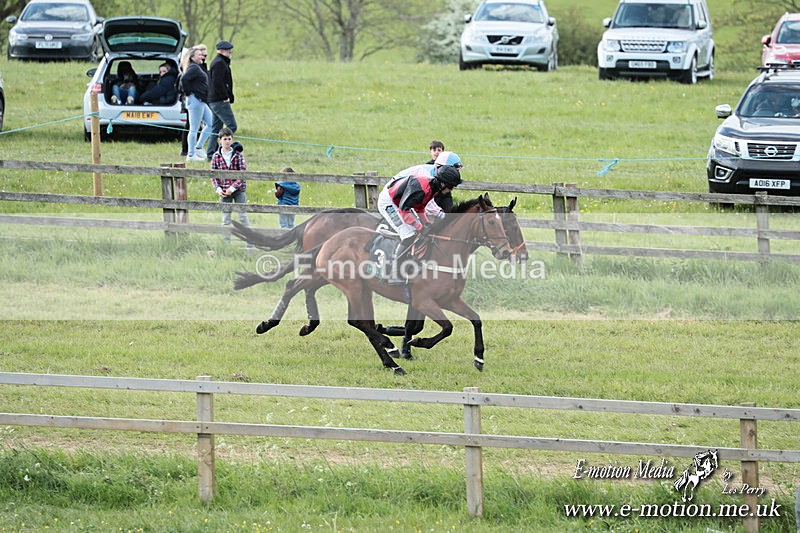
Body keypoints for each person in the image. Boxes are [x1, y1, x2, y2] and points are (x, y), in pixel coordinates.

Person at [377, 164, 462, 283]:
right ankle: (394, 273)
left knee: (422, 231)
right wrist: (419, 226)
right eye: (451, 187)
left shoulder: (433, 188)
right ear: (443, 183)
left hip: (401, 203)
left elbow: (420, 207)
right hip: (389, 203)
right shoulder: (423, 188)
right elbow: (404, 211)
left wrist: (426, 224)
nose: (451, 190)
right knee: (409, 235)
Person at [210, 128, 251, 241]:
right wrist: (218, 189)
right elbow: (213, 175)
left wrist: (232, 188)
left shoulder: (238, 155)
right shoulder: (216, 156)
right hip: (223, 191)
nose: (227, 141)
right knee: (225, 218)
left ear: (232, 140)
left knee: (242, 216)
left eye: (229, 139)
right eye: (225, 139)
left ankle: (250, 240)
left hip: (238, 189)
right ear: (219, 140)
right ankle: (226, 242)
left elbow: (242, 173)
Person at [180, 45, 214, 162]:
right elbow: (184, 80)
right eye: (199, 54)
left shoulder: (198, 67)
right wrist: (188, 92)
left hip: (202, 101)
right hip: (195, 100)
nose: (202, 56)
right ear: (192, 57)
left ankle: (199, 147)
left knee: (211, 124)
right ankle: (191, 155)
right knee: (194, 128)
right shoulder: (193, 68)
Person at [206, 40, 237, 160]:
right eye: (228, 50)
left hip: (214, 100)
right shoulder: (219, 63)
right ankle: (223, 151)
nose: (230, 52)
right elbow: (217, 82)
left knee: (215, 127)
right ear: (222, 51)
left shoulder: (220, 62)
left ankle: (211, 154)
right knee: (231, 126)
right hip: (219, 100)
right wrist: (225, 96)